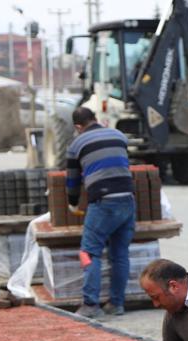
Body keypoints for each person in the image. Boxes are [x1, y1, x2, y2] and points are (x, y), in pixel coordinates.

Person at [66, 106, 136, 319]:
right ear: (95, 118)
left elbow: (72, 180)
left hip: (104, 202)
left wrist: (72, 203)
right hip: (128, 200)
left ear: (78, 126)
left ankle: (90, 304)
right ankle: (117, 304)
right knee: (120, 254)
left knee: (89, 252)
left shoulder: (77, 143)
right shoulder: (118, 135)